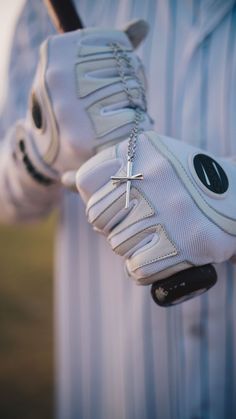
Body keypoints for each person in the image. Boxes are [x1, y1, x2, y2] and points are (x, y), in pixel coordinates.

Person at [0, 1, 236, 418]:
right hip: (110, 392)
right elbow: (7, 200)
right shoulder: (40, 14)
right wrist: (41, 144)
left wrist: (224, 196)